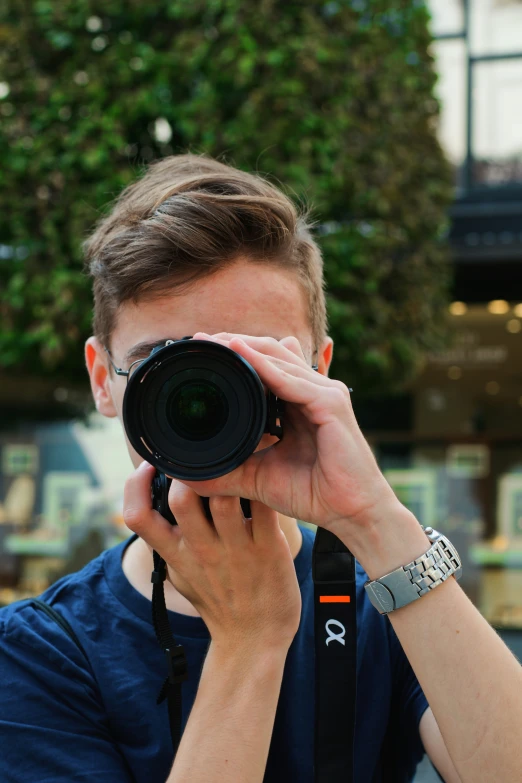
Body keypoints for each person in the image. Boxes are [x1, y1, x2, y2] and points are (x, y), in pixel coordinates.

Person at [1, 154, 521, 783]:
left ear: (316, 371)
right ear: (102, 381)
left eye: (252, 367)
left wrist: (375, 521)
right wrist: (249, 639)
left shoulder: (381, 605)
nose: (213, 403)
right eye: (163, 366)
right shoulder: (38, 650)